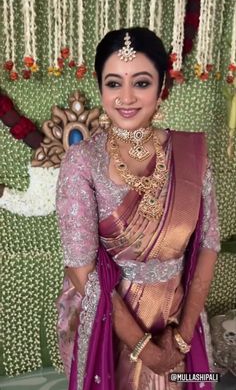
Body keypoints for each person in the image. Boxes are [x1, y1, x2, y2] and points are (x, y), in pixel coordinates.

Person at [56, 27, 220, 390]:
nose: (126, 97)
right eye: (114, 83)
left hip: (178, 317)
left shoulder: (192, 155)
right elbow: (81, 267)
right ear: (100, 86)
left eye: (141, 83)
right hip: (113, 324)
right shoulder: (82, 162)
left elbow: (209, 244)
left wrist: (182, 335)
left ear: (161, 88)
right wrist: (146, 350)